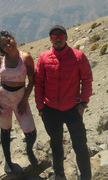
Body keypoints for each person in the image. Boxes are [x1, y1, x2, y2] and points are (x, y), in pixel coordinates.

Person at [35, 25, 93, 180]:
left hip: (72, 108)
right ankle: (59, 175)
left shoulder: (78, 56)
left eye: (60, 36)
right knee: (56, 144)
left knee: (80, 145)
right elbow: (39, 83)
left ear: (66, 37)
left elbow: (87, 80)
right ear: (50, 39)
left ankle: (86, 177)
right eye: (54, 37)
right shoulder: (44, 57)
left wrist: (83, 102)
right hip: (50, 110)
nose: (57, 39)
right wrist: (40, 107)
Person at [0, 30, 38, 173]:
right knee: (5, 130)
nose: (7, 45)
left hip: (20, 98)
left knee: (31, 132)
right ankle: (8, 160)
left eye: (8, 41)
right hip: (3, 98)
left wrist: (24, 101)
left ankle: (29, 150)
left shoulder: (26, 58)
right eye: (3, 45)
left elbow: (31, 81)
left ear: (14, 39)